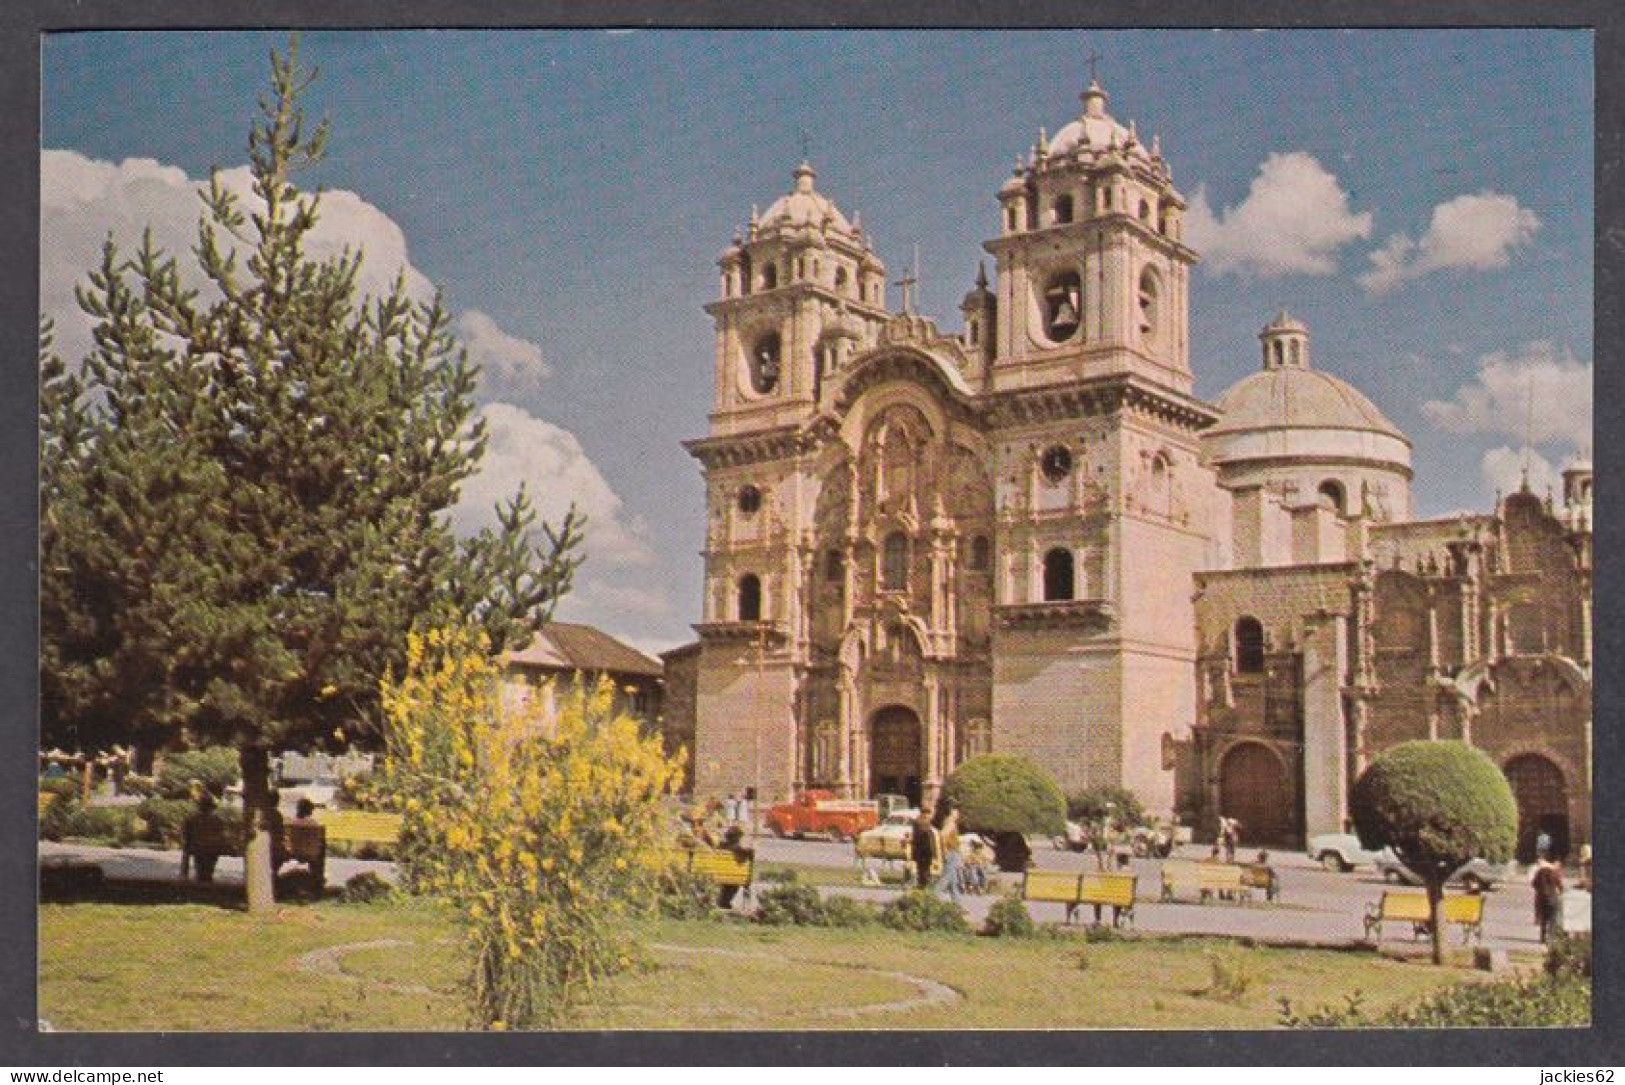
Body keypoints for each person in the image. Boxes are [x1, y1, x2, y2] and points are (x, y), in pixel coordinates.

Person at [180, 793, 227, 883]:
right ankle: (206, 878)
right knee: (208, 871)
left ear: (200, 806)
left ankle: (184, 874)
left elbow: (186, 835)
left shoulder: (191, 819)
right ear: (211, 807)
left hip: (197, 848)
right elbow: (221, 836)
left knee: (189, 852)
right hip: (212, 849)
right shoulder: (217, 820)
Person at [716, 824, 754, 910]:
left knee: (730, 882)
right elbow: (747, 859)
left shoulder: (721, 846)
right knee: (735, 881)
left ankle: (723, 902)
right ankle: (724, 902)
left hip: (719, 873)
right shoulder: (741, 850)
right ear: (739, 837)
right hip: (735, 876)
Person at [1531, 856, 1564, 943]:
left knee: (1544, 919)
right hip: (1553, 897)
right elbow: (1560, 885)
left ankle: (1542, 937)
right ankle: (1551, 937)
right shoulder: (1554, 872)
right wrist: (1561, 891)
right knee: (1552, 918)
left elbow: (1533, 883)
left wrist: (1539, 889)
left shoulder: (1539, 872)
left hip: (1541, 898)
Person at [934, 808, 964, 905]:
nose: (958, 814)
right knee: (946, 877)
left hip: (952, 852)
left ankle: (957, 903)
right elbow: (942, 835)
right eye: (956, 812)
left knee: (953, 881)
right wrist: (945, 850)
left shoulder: (948, 822)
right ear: (952, 813)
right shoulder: (951, 823)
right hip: (951, 853)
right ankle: (931, 896)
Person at [909, 810, 939, 890]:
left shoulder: (923, 824)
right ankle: (923, 888)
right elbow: (923, 839)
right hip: (923, 852)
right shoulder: (921, 824)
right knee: (923, 872)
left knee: (923, 871)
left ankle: (923, 887)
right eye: (930, 815)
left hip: (924, 851)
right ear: (925, 814)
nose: (931, 817)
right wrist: (934, 854)